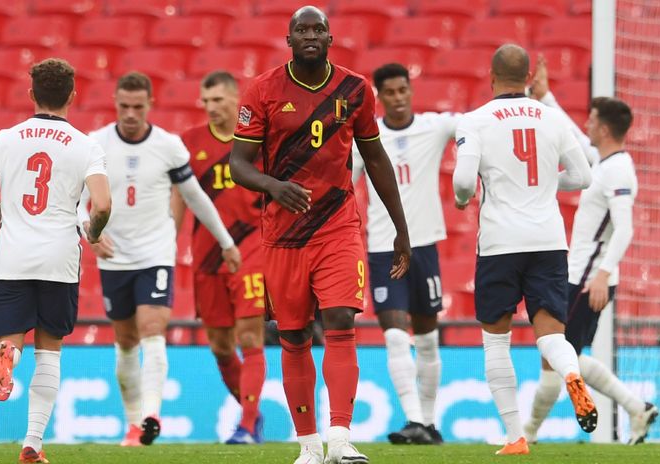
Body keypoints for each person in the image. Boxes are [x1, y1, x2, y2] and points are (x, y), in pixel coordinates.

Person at [229, 6, 411, 464]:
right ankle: (309, 445)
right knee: (292, 337)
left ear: (331, 38)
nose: (310, 35)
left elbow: (376, 159)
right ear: (289, 40)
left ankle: (340, 439)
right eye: (301, 30)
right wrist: (274, 186)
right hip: (283, 235)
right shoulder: (263, 90)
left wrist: (400, 228)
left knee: (341, 323)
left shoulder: (355, 89)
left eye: (318, 29)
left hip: (338, 226)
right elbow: (239, 164)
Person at [78, 72, 241, 447]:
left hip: (155, 253)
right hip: (114, 257)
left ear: (150, 105)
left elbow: (197, 196)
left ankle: (152, 414)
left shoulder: (168, 146)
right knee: (125, 340)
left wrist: (227, 242)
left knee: (153, 328)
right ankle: (133, 423)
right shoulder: (95, 144)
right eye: (124, 106)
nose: (131, 114)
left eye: (138, 106)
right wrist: (88, 231)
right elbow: (73, 199)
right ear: (116, 104)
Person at [0, 58, 112, 464]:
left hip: (12, 255)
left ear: (31, 94)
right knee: (50, 350)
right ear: (72, 95)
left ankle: (3, 356)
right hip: (59, 258)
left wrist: (0, 212)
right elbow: (102, 205)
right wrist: (94, 233)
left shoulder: (7, 138)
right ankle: (32, 444)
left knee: (11, 341)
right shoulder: (86, 145)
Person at [452, 44, 595, 456]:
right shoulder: (552, 118)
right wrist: (547, 184)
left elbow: (463, 181)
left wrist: (464, 198)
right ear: (528, 75)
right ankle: (571, 373)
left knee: (497, 342)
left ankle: (515, 436)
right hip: (548, 240)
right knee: (551, 333)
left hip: (500, 242)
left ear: (491, 75)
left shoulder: (475, 120)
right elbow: (583, 175)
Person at [524, 58, 658, 445]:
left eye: (591, 119)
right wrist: (546, 95)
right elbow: (568, 130)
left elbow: (626, 227)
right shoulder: (605, 161)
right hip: (579, 274)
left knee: (553, 356)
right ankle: (637, 408)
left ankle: (525, 435)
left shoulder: (618, 172)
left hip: (587, 278)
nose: (586, 124)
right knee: (570, 356)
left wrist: (602, 275)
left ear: (603, 126)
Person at [351, 63, 459, 445]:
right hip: (383, 249)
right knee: (396, 337)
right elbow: (345, 184)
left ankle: (428, 424)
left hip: (425, 245)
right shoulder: (366, 137)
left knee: (428, 341)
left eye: (403, 90)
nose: (398, 98)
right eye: (390, 93)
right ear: (379, 96)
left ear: (411, 90)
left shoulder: (435, 126)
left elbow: (477, 125)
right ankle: (413, 418)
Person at [175, 71, 266, 445]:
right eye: (205, 100)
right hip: (207, 253)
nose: (210, 107)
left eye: (218, 100)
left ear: (235, 99)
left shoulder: (259, 140)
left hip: (253, 245)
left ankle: (245, 425)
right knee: (220, 345)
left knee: (250, 335)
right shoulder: (189, 143)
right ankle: (253, 416)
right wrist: (170, 241)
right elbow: (179, 197)